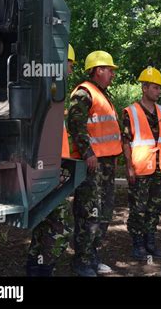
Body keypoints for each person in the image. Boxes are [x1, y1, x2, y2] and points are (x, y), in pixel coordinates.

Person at [68, 50, 122, 276]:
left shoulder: (103, 94)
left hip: (106, 165)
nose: (112, 74)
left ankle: (93, 256)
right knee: (88, 212)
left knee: (104, 212)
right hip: (91, 164)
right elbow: (75, 124)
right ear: (98, 70)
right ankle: (81, 262)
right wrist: (88, 152)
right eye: (109, 70)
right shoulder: (84, 93)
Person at [25, 43, 76, 276]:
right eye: (69, 64)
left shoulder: (50, 90)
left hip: (49, 169)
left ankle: (35, 269)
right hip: (46, 171)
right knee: (62, 227)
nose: (71, 70)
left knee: (44, 224)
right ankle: (44, 270)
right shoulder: (48, 92)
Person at [123, 66, 161, 260]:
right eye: (155, 87)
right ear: (144, 88)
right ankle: (138, 244)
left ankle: (150, 242)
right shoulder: (130, 112)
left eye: (159, 88)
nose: (158, 91)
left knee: (154, 207)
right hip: (140, 168)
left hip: (159, 167)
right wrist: (129, 167)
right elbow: (125, 142)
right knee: (138, 209)